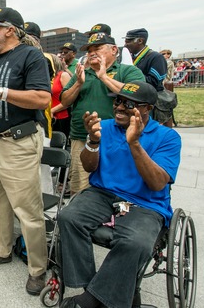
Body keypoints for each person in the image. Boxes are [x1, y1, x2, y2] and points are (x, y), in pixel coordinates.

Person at [58, 81, 181, 308]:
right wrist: (93, 142)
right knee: (68, 218)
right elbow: (88, 167)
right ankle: (93, 290)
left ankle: (91, 300)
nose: (120, 107)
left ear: (147, 109)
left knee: (136, 243)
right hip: (103, 194)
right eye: (117, 101)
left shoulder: (167, 137)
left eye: (129, 103)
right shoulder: (104, 127)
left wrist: (134, 143)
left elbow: (156, 183)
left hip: (146, 203)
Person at [0, 7, 51, 295]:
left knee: (27, 209)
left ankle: (38, 269)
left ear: (10, 30)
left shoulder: (31, 56)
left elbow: (42, 98)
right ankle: (0, 249)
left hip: (19, 142)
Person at [60, 32, 145, 196]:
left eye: (97, 48)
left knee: (115, 189)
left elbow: (138, 95)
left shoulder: (127, 71)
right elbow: (65, 100)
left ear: (114, 49)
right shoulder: (82, 73)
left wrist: (104, 77)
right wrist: (78, 83)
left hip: (117, 139)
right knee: (80, 191)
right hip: (81, 138)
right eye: (89, 50)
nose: (92, 53)